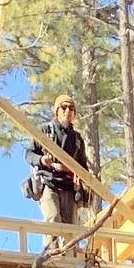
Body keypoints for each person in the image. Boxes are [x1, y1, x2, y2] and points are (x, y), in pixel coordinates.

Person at [26, 94, 91, 225]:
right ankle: (52, 246)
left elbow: (83, 167)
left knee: (71, 229)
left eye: (71, 108)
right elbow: (29, 154)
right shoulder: (44, 132)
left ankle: (69, 247)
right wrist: (42, 160)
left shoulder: (77, 139)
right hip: (49, 183)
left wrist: (80, 181)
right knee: (53, 220)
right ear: (57, 111)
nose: (68, 111)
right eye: (64, 107)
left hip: (69, 187)